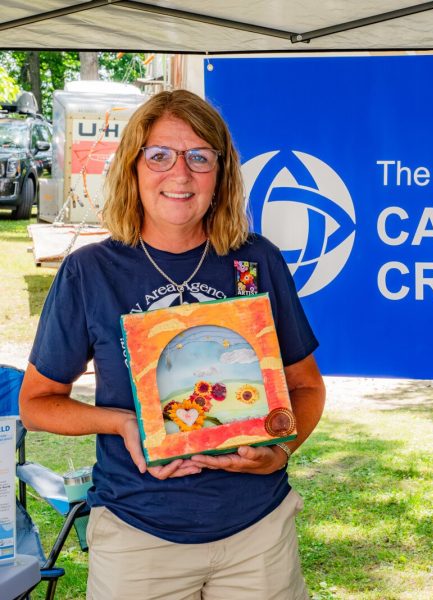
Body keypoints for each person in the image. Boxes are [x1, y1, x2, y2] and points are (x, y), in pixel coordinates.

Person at [19, 90, 325, 600]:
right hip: (139, 538)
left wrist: (280, 450)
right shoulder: (91, 271)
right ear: (133, 167)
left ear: (221, 173)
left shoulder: (257, 261)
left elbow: (306, 386)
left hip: (258, 536)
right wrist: (120, 423)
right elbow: (36, 403)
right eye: (159, 155)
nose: (180, 174)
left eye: (199, 157)